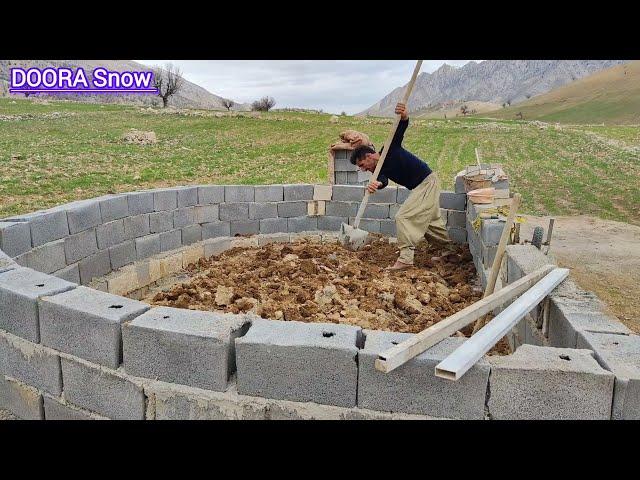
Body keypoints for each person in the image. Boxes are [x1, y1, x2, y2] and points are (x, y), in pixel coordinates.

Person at [349, 102, 452, 270]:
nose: (363, 169)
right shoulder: (378, 169)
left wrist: (404, 115)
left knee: (403, 217)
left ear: (369, 156)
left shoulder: (389, 149)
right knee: (431, 221)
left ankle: (405, 259)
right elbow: (384, 180)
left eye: (362, 164)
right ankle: (450, 251)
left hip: (427, 182)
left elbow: (400, 128)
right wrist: (377, 184)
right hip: (422, 186)